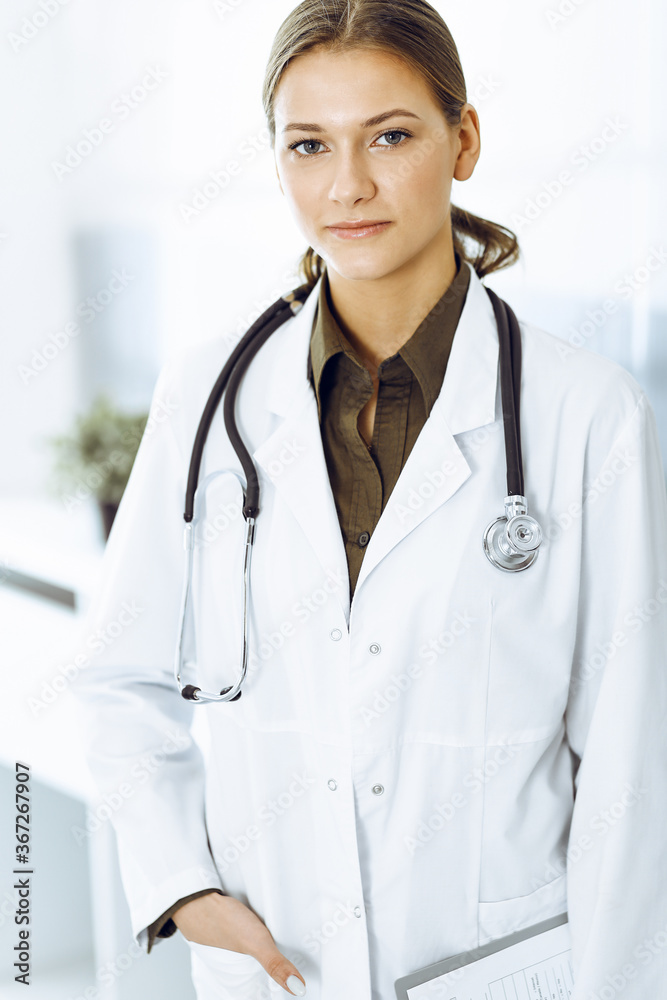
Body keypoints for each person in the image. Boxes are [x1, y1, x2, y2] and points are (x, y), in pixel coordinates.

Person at [74, 1, 667, 998]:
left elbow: (632, 760)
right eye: (309, 144)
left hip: (505, 971)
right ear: (275, 160)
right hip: (275, 969)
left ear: (462, 139)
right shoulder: (210, 394)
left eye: (390, 136)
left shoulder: (588, 415)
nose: (346, 185)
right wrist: (184, 884)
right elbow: (116, 679)